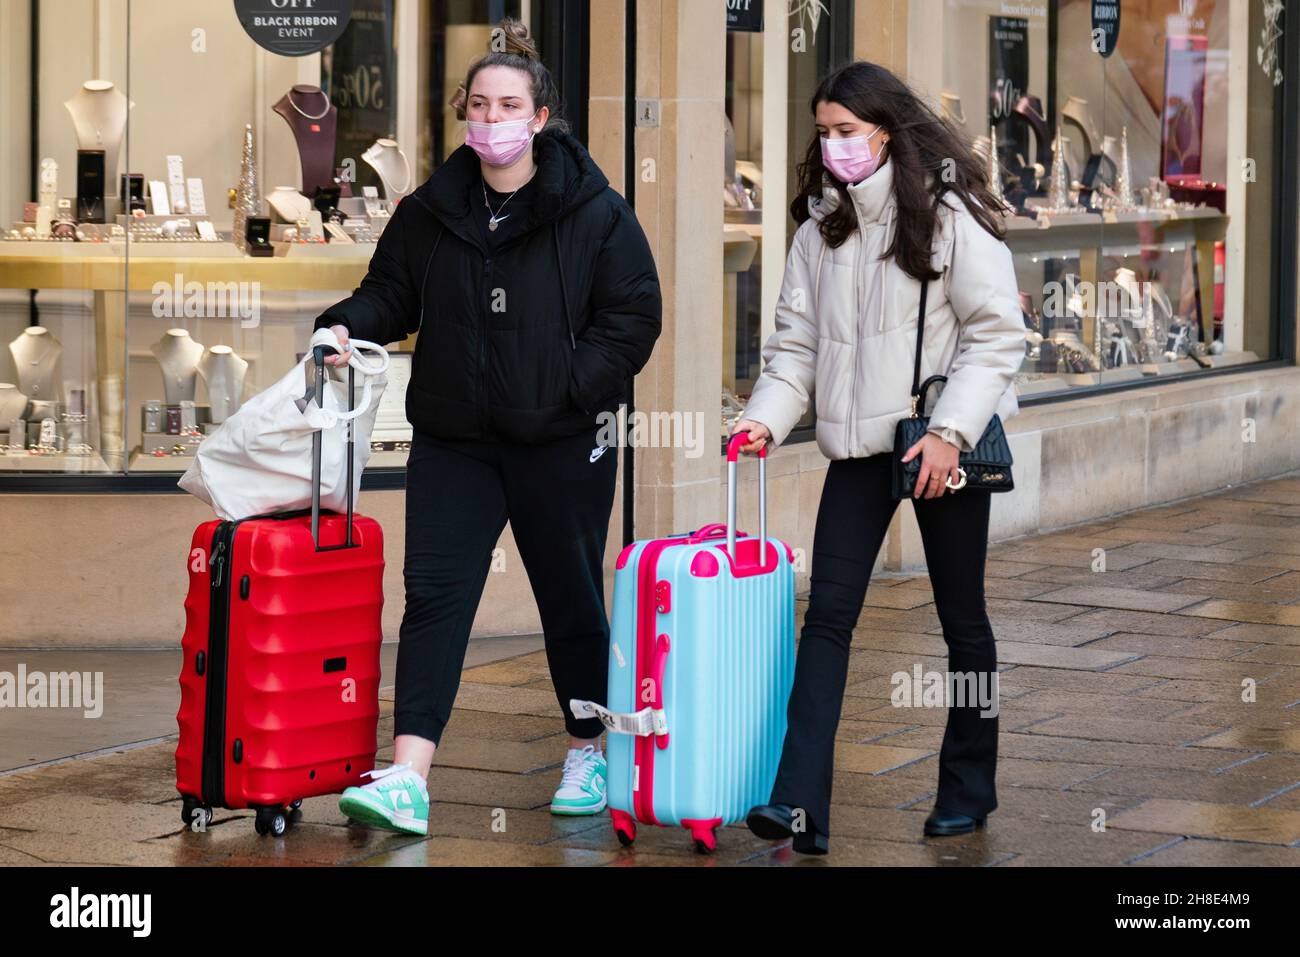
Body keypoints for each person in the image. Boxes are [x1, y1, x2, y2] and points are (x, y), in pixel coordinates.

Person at [313, 19, 662, 835]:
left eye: (510, 104)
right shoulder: (433, 211)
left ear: (541, 118)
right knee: (434, 597)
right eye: (480, 104)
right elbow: (388, 296)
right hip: (456, 438)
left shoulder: (595, 212)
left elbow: (633, 315)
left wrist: (572, 389)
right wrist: (341, 326)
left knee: (569, 596)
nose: (493, 118)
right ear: (464, 114)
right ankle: (409, 774)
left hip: (560, 440)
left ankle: (588, 746)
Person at [733, 61, 1025, 854]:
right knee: (826, 615)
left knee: (962, 619)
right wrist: (763, 420)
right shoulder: (818, 230)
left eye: (847, 132)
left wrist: (950, 431)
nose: (833, 147)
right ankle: (798, 804)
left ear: (886, 131)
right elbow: (793, 349)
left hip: (939, 442)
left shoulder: (947, 213)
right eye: (823, 133)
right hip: (859, 449)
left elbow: (999, 333)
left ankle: (969, 788)